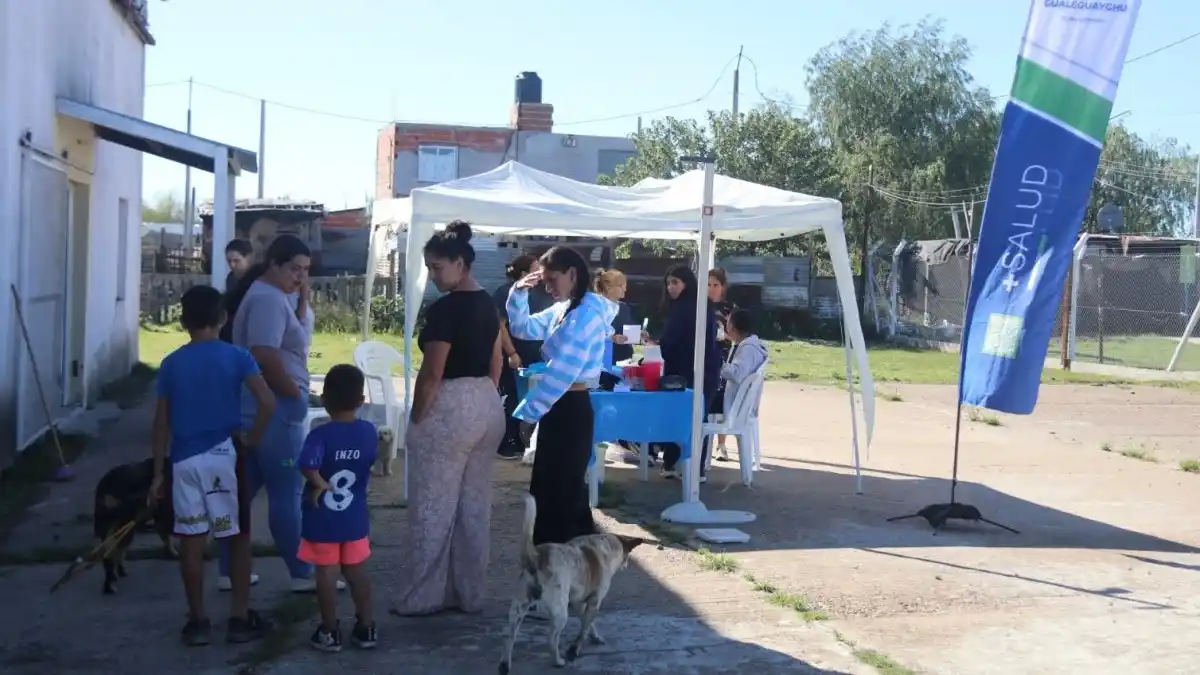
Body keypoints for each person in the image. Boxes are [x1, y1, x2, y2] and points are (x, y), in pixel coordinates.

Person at [149, 285, 276, 646]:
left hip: (185, 459)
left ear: (183, 321)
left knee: (191, 540)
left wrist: (158, 472)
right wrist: (252, 438)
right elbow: (266, 402)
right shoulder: (238, 356)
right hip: (225, 455)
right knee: (236, 537)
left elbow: (161, 423)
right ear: (222, 318)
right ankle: (238, 617)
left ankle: (198, 621)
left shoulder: (172, 363)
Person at [390, 220, 505, 616]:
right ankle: (469, 593)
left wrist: (417, 419)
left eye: (437, 267)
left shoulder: (445, 309)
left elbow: (432, 372)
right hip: (487, 404)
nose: (433, 275)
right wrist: (485, 394)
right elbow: (497, 359)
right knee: (474, 507)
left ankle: (422, 596)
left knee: (432, 507)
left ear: (460, 263)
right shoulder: (489, 302)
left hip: (451, 405)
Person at [221, 234, 332, 594]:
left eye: (305, 271)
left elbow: (286, 340)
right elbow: (264, 355)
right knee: (286, 491)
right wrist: (292, 395)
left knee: (248, 488)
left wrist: (301, 301)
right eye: (294, 269)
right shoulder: (268, 300)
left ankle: (228, 569)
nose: (300, 277)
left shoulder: (272, 295)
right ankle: (301, 572)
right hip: (275, 407)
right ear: (274, 264)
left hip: (260, 408)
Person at [507, 246, 618, 545]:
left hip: (570, 406)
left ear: (572, 274)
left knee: (561, 492)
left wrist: (529, 413)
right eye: (543, 280)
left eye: (551, 279)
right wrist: (518, 293)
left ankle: (565, 566)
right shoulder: (567, 309)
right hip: (560, 405)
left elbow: (563, 373)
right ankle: (559, 565)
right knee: (553, 489)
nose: (546, 286)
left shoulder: (586, 315)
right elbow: (523, 327)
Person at [298, 364, 379, 652]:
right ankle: (366, 626)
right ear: (361, 400)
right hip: (354, 516)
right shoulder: (368, 432)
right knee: (357, 571)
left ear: (324, 398)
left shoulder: (319, 435)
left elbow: (307, 465)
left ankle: (330, 630)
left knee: (327, 573)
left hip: (324, 519)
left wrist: (319, 483)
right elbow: (369, 460)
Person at [643, 265, 721, 481]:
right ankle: (685, 467)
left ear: (687, 283)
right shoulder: (699, 304)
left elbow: (673, 341)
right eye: (668, 283)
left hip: (692, 371)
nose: (670, 287)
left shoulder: (685, 308)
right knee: (695, 417)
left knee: (686, 417)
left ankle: (685, 466)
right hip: (702, 369)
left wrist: (657, 345)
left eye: (675, 282)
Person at [493, 254, 554, 460]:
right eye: (537, 268)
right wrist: (511, 352)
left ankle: (524, 442)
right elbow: (499, 325)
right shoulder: (505, 292)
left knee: (530, 398)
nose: (542, 272)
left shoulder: (542, 293)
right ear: (523, 273)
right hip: (515, 354)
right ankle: (506, 443)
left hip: (536, 358)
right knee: (512, 398)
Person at [715, 309, 769, 460]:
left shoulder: (748, 348)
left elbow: (737, 374)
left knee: (700, 404)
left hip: (737, 402)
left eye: (728, 322)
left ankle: (697, 458)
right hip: (740, 398)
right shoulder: (745, 345)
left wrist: (718, 363)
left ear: (732, 327)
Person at [707, 268, 735, 460]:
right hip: (705, 355)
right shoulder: (700, 305)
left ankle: (722, 444)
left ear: (723, 287)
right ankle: (702, 443)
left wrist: (723, 333)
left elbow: (736, 336)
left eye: (715, 285)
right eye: (708, 285)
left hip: (724, 356)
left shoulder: (730, 309)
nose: (711, 289)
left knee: (723, 395)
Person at [219, 239, 255, 344]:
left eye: (236, 261)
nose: (232, 265)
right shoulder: (231, 278)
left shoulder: (257, 280)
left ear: (249, 258)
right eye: (229, 261)